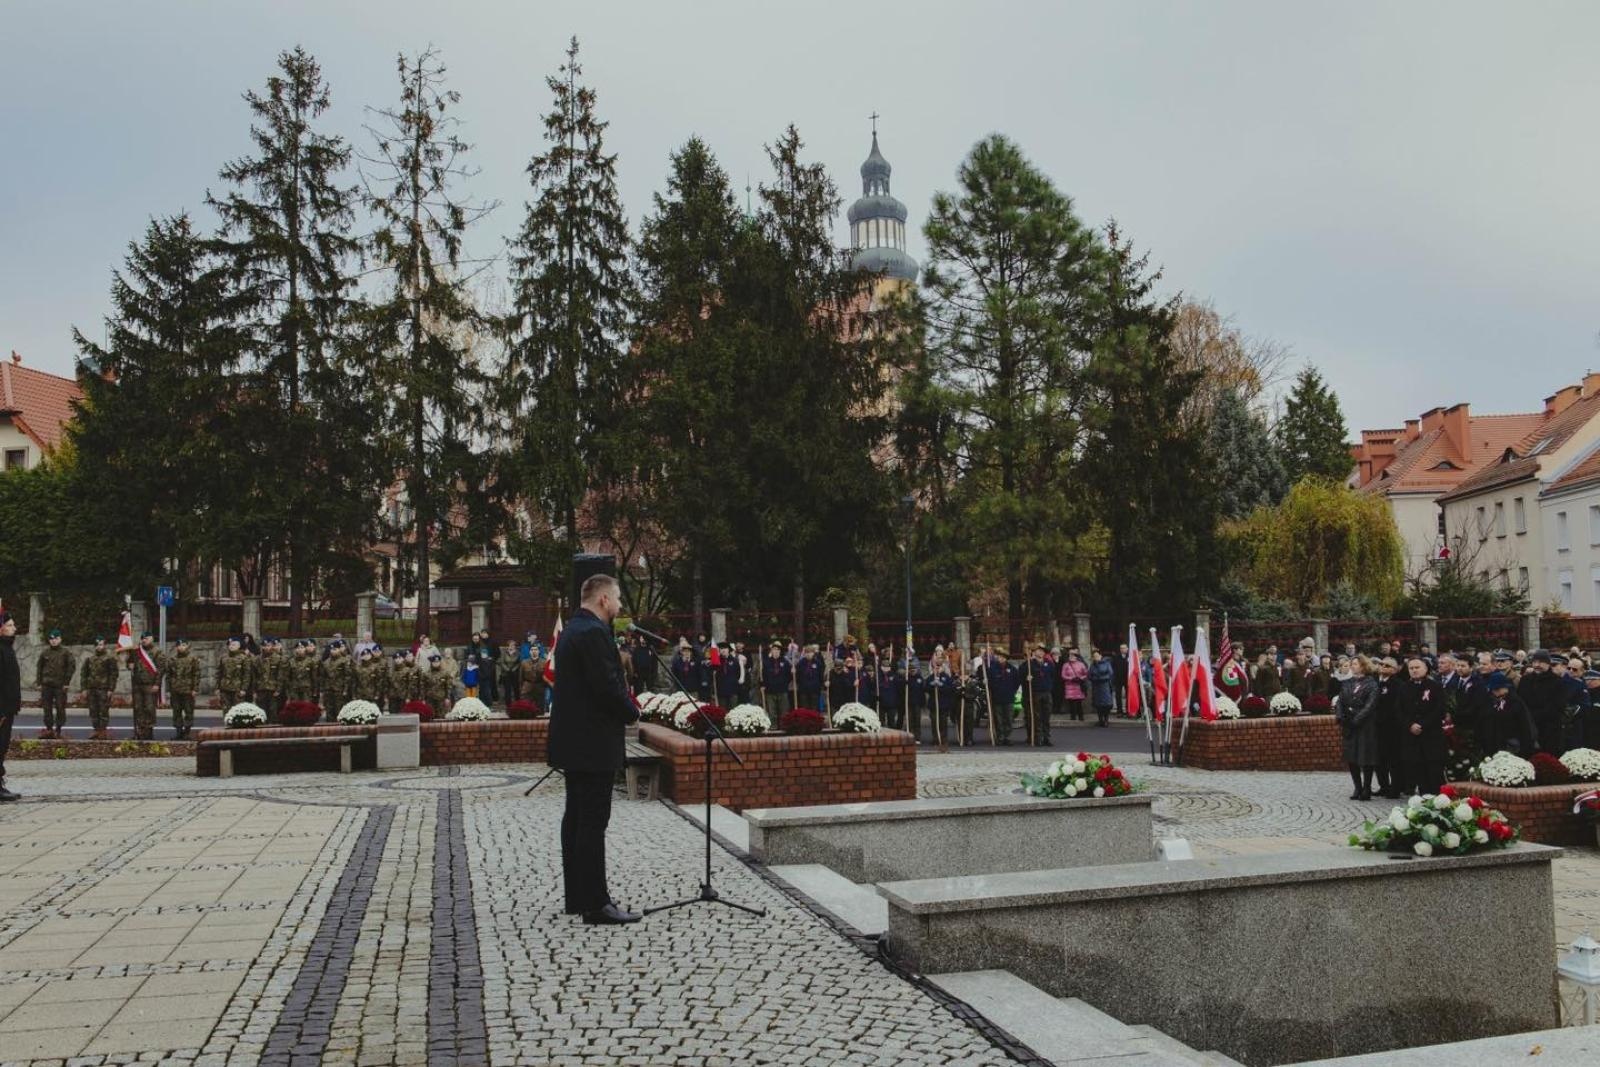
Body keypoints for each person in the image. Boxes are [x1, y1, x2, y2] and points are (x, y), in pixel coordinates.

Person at [548, 573, 640, 925]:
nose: (619, 605)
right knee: (591, 822)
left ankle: (578, 896)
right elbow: (607, 686)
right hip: (592, 744)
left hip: (575, 743)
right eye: (616, 598)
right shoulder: (593, 633)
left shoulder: (574, 627)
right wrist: (632, 712)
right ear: (603, 599)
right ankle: (595, 903)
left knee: (576, 819)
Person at [1400, 657, 1445, 794]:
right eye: (1411, 668)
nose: (1414, 670)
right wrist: (1410, 725)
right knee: (1417, 767)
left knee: (1433, 768)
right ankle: (1423, 796)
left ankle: (1437, 797)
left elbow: (1439, 709)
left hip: (1431, 735)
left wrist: (1422, 725)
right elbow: (1399, 710)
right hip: (1412, 735)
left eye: (1417, 667)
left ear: (1425, 669)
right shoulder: (1404, 687)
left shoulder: (1435, 686)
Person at [1337, 655, 1379, 801]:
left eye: (1355, 663)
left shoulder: (1371, 683)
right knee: (1352, 756)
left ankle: (1367, 787)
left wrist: (1357, 718)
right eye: (1352, 663)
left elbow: (1370, 705)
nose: (1352, 666)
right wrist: (1341, 717)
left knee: (1366, 756)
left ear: (1363, 666)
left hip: (1365, 726)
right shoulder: (1347, 683)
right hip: (1349, 725)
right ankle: (1357, 787)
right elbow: (1340, 701)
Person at [1480, 671, 1536, 757]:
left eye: (1498, 689)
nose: (1495, 692)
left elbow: (1526, 726)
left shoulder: (1516, 702)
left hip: (1512, 745)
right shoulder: (1490, 701)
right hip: (1493, 744)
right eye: (1493, 690)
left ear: (1506, 687)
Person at [1373, 658, 1406, 799]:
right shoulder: (1375, 682)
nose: (1383, 667)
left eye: (1387, 665)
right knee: (1379, 759)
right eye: (1381, 664)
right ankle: (1383, 786)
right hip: (1376, 727)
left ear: (1394, 669)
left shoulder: (1398, 685)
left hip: (1392, 727)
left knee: (1393, 759)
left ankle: (1396, 787)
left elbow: (1395, 707)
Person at [34, 629, 74, 739]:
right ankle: (49, 730)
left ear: (60, 639)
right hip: (46, 685)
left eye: (56, 639)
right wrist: (39, 683)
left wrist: (67, 682)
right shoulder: (45, 653)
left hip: (60, 686)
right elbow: (39, 667)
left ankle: (58, 730)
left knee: (60, 707)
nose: (53, 641)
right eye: (51, 639)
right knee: (47, 708)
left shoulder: (66, 653)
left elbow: (71, 667)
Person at [79, 636, 118, 740]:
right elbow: (84, 674)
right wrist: (84, 689)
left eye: (101, 644)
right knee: (93, 711)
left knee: (103, 710)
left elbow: (113, 675)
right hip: (91, 689)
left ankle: (102, 731)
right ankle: (96, 730)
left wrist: (111, 689)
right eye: (97, 645)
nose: (99, 647)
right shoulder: (90, 659)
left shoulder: (110, 659)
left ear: (104, 645)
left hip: (103, 689)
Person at [0, 612, 21, 800]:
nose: (14, 628)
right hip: (2, 709)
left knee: (3, 746)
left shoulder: (7, 647)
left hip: (8, 708)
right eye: (10, 625)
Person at [168, 638, 200, 739]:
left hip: (188, 690)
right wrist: (169, 689)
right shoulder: (172, 659)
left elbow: (196, 674)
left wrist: (195, 689)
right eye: (179, 645)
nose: (181, 647)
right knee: (176, 711)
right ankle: (178, 732)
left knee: (188, 711)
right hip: (175, 690)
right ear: (176, 647)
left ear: (187, 646)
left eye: (184, 645)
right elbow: (169, 675)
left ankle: (186, 733)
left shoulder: (192, 659)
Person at [761, 641, 793, 719]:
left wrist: (784, 682)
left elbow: (789, 676)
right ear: (771, 651)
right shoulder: (766, 662)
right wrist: (762, 685)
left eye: (777, 650)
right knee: (772, 710)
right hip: (770, 690)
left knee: (784, 710)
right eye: (774, 649)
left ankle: (783, 726)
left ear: (780, 651)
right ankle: (773, 727)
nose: (775, 651)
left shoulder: (785, 662)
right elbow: (763, 675)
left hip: (782, 689)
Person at [1089, 648, 1115, 728]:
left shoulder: (1106, 663)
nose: (1096, 657)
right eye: (1094, 656)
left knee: (1106, 705)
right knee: (1098, 705)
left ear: (1100, 656)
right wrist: (1095, 678)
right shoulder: (1092, 665)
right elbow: (1089, 675)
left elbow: (1110, 674)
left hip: (1105, 686)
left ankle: (1106, 720)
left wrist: (1101, 678)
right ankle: (1100, 720)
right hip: (1096, 686)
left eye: (1097, 656)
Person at [1060, 649, 1088, 723]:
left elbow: (1086, 673)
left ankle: (1081, 716)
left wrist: (1081, 678)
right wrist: (1070, 678)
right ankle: (1073, 716)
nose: (1071, 657)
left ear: (1076, 657)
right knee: (1071, 702)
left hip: (1078, 685)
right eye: (1070, 656)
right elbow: (1063, 675)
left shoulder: (1081, 664)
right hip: (1069, 686)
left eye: (1073, 656)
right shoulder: (1066, 665)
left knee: (1079, 702)